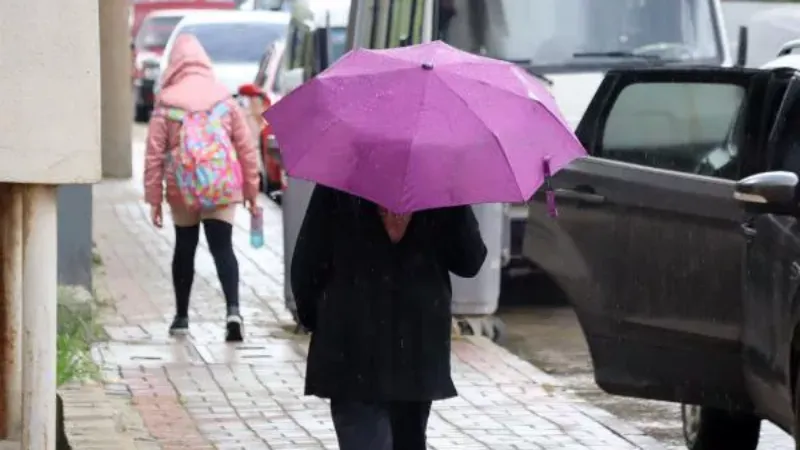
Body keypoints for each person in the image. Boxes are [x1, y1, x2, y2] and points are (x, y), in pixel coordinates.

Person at [291, 185, 488, 450]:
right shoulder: (436, 182)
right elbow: (470, 260)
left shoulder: (343, 179)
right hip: (413, 346)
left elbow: (307, 265)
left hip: (355, 347)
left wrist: (319, 321)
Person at [144, 34, 260, 342]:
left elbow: (154, 154)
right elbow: (246, 149)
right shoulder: (224, 99)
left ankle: (181, 317)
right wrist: (251, 192)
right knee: (223, 248)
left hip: (183, 188)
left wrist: (154, 200)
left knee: (185, 247)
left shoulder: (166, 101)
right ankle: (233, 311)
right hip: (221, 186)